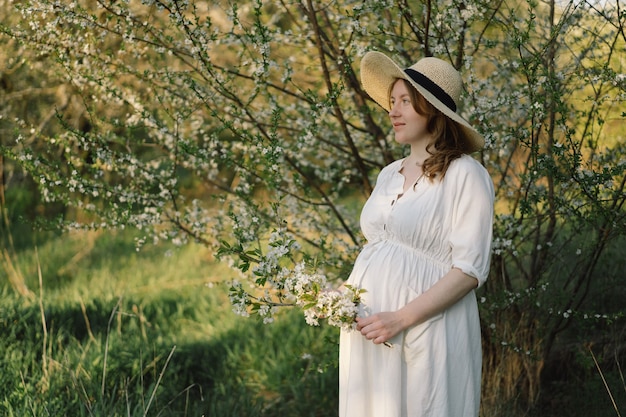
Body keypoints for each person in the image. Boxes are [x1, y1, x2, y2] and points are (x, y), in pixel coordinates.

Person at [339, 51, 494, 417]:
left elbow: (469, 270)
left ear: (434, 111)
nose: (393, 111)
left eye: (405, 102)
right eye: (392, 102)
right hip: (373, 327)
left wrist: (401, 318)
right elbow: (378, 251)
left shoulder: (465, 175)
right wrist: (342, 295)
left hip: (425, 326)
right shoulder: (389, 174)